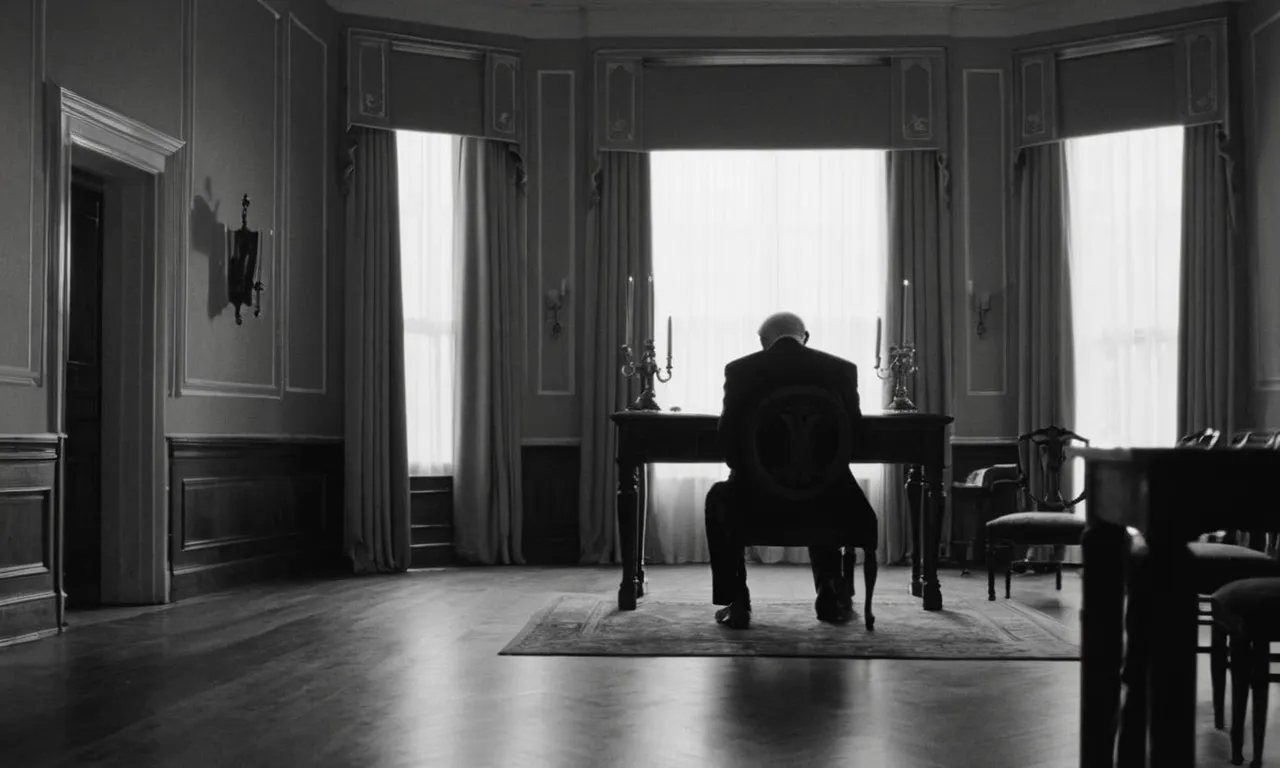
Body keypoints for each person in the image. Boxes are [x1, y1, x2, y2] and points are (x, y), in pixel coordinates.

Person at [705, 311, 877, 629]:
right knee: (831, 485)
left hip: (756, 500)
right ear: (805, 337)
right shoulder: (840, 370)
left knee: (718, 497)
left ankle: (737, 600)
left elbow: (727, 442)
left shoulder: (741, 370)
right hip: (827, 497)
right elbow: (856, 439)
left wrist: (756, 473)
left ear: (763, 343)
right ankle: (831, 594)